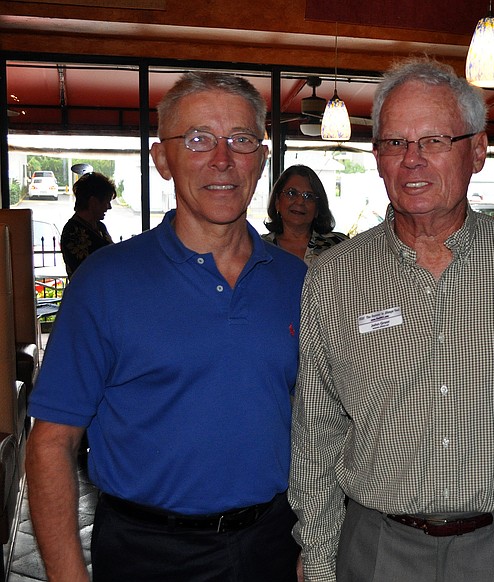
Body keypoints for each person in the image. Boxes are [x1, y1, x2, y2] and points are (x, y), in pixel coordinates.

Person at [289, 57, 494, 582]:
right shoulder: (333, 277)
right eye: (395, 143)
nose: (412, 160)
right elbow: (316, 429)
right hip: (377, 546)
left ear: (477, 151)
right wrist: (319, 555)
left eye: (434, 140)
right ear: (378, 157)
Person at [26, 71, 307, 581]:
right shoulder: (106, 282)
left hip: (273, 543)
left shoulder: (298, 282)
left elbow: (319, 424)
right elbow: (51, 442)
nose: (222, 159)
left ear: (262, 160)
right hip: (147, 552)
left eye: (241, 140)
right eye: (198, 139)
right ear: (162, 160)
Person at [262, 164, 348, 264]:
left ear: (317, 208)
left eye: (308, 196)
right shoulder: (258, 248)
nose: (300, 202)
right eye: (291, 193)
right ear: (277, 202)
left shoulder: (339, 246)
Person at [60, 171, 116, 277]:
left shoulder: (100, 227)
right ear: (93, 202)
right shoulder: (72, 231)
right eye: (106, 202)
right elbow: (86, 270)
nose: (109, 207)